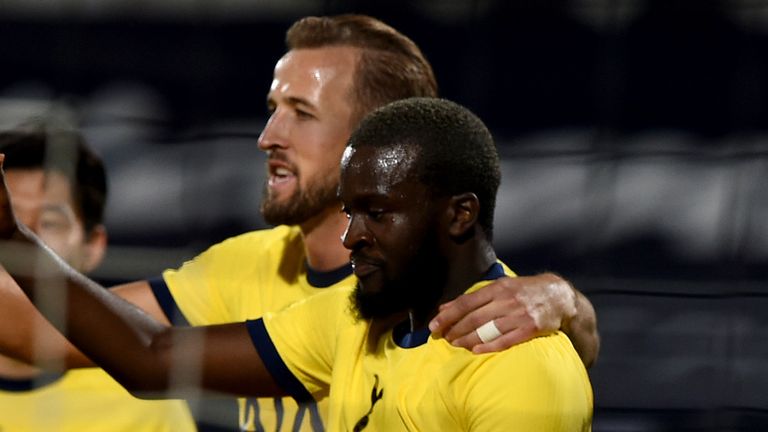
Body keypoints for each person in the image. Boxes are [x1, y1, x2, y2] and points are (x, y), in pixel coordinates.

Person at [0, 14, 598, 431]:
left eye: (301, 114)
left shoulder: (497, 329)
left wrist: (567, 303)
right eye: (271, 110)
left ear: (376, 138)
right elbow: (125, 350)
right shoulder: (312, 301)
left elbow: (552, 361)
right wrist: (12, 239)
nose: (267, 138)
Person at [0, 126, 196, 431]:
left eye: (49, 223)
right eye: (6, 220)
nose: (19, 240)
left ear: (93, 246)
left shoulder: (144, 398)